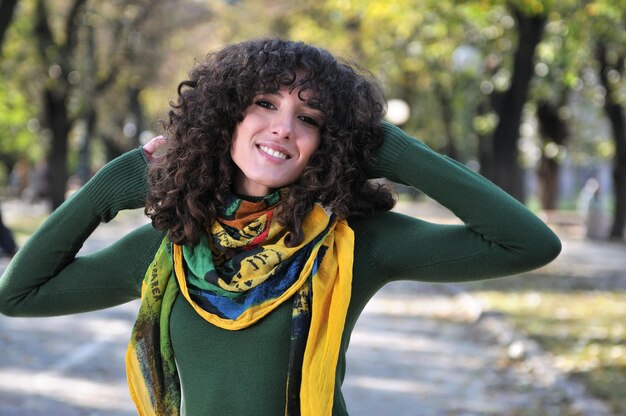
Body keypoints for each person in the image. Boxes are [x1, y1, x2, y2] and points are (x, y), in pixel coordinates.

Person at [0, 38, 561, 415]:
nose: (283, 128)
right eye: (264, 103)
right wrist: (111, 186)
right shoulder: (171, 246)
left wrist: (390, 147)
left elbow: (527, 243)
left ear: (330, 142)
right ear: (225, 116)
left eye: (310, 118)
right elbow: (20, 295)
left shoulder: (353, 242)